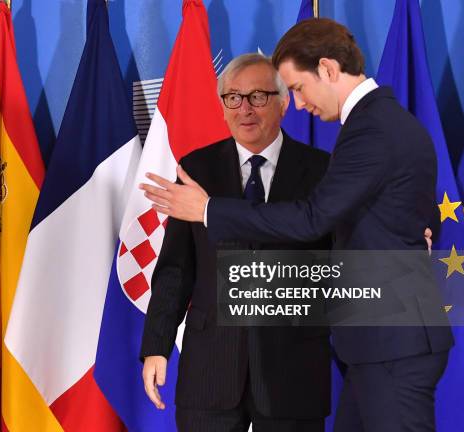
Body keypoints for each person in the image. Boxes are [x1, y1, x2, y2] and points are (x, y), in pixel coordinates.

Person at [141, 19, 453, 432]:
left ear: (325, 69)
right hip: (347, 350)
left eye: (297, 89)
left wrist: (208, 210)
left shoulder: (368, 131)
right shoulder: (376, 123)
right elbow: (392, 197)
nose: (302, 103)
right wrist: (423, 225)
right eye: (232, 98)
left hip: (374, 346)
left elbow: (314, 219)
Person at [140, 53, 332, 432]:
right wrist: (156, 347)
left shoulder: (323, 171)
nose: (245, 109)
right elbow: (176, 270)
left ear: (282, 103)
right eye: (233, 98)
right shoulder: (196, 169)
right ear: (223, 106)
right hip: (210, 369)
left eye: (258, 96)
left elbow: (344, 260)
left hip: (293, 370)